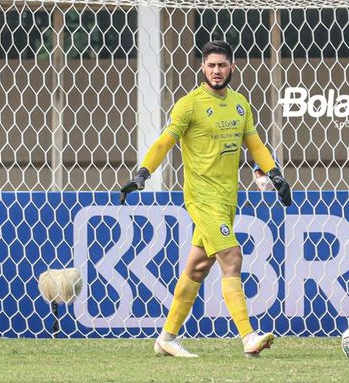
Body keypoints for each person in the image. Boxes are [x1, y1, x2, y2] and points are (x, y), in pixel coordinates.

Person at [120, 40, 292, 358]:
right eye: (211, 65)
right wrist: (143, 173)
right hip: (201, 197)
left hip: (228, 198)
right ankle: (248, 337)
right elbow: (164, 142)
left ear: (232, 67)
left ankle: (166, 338)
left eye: (222, 65)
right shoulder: (189, 105)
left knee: (198, 268)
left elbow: (254, 144)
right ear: (203, 67)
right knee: (232, 257)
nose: (216, 70)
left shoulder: (240, 104)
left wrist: (274, 172)